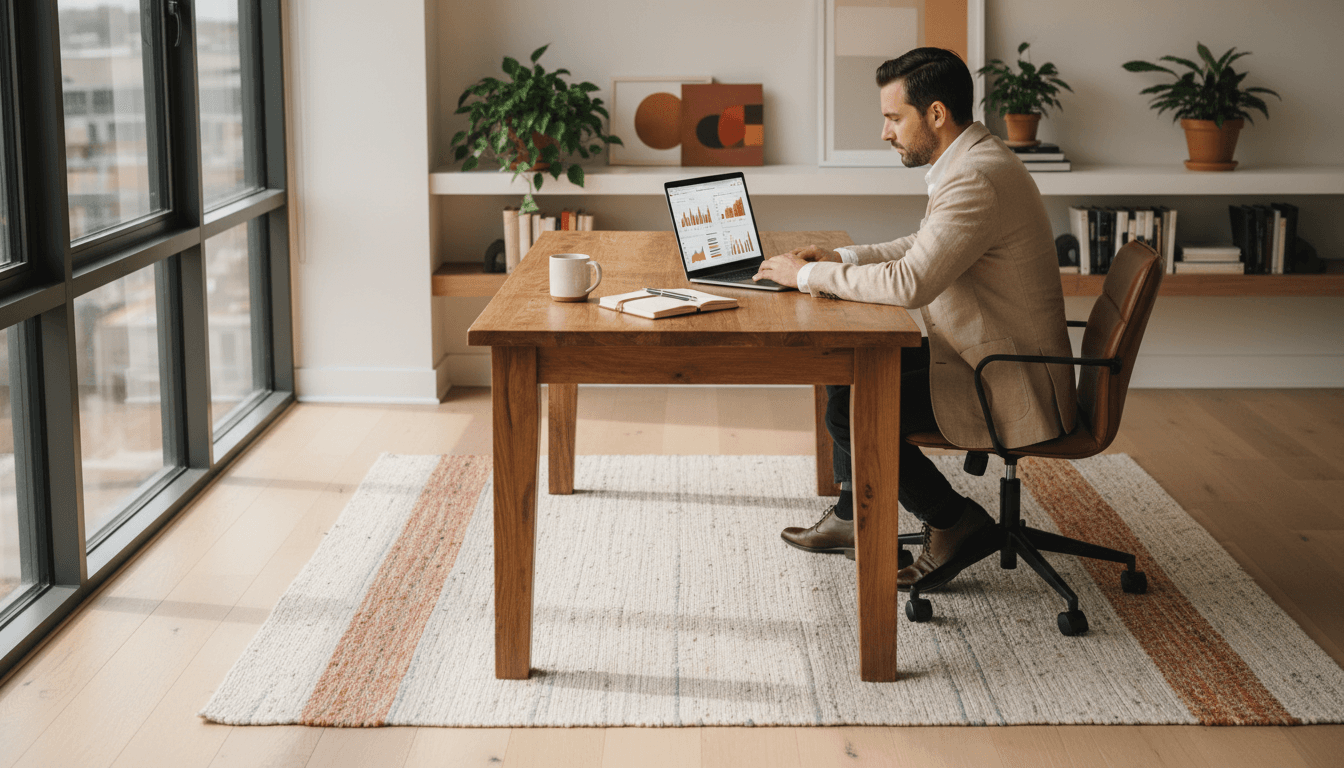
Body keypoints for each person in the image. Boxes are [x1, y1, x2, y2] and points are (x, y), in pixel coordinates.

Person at [755, 47, 1077, 592]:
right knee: (847, 370)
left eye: (892, 117)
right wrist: (841, 259)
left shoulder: (975, 178)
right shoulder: (973, 160)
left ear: (934, 115)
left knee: (857, 411)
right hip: (984, 350)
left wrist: (807, 278)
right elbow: (924, 246)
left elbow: (911, 283)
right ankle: (854, 515)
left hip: (1005, 373)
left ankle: (955, 522)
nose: (885, 132)